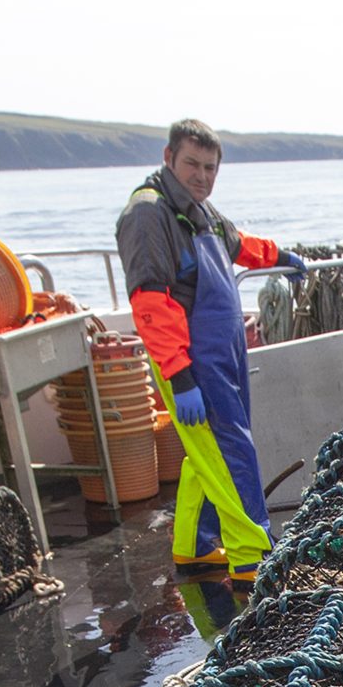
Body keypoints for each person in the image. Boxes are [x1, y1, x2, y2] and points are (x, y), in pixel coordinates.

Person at [117, 118, 308, 580]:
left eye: (210, 167)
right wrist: (181, 378)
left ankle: (196, 546)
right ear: (168, 159)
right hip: (192, 358)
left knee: (206, 455)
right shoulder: (150, 213)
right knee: (231, 450)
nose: (201, 175)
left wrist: (283, 258)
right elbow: (150, 301)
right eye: (192, 164)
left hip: (224, 352)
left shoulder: (201, 210)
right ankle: (251, 556)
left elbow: (238, 245)